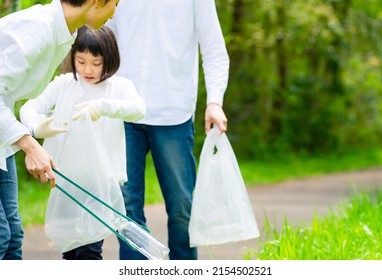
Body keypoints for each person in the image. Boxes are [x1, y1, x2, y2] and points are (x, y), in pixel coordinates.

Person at [106, 0, 230, 260]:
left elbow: (213, 47)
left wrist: (214, 102)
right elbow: (104, 35)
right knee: (127, 207)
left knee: (182, 207)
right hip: (124, 109)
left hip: (173, 112)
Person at [0, 0, 119, 260]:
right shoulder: (37, 29)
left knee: (12, 238)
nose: (115, 11)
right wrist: (29, 144)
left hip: (1, 143)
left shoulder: (64, 34)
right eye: (116, 3)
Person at [20, 25, 146, 260]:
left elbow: (139, 109)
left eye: (96, 63)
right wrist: (36, 126)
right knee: (70, 247)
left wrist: (103, 106)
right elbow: (29, 107)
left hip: (100, 181)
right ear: (73, 57)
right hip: (67, 179)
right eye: (81, 61)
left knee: (89, 247)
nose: (88, 69)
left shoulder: (118, 86)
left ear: (109, 60)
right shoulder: (64, 84)